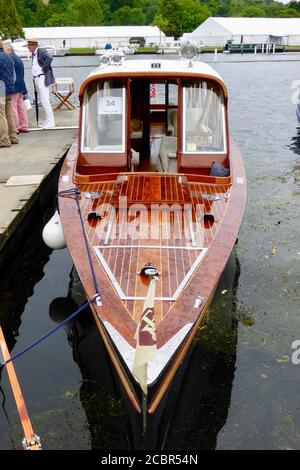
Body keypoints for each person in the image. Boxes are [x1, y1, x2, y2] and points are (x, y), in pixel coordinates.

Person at [27, 38, 55, 129]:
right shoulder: (33, 53)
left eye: (29, 46)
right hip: (37, 78)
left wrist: (43, 69)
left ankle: (51, 122)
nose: (28, 47)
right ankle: (47, 121)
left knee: (45, 100)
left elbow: (50, 57)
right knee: (43, 101)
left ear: (33, 45)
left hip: (42, 77)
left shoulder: (41, 50)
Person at [3, 43, 29, 133]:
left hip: (14, 85)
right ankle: (24, 125)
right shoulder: (19, 58)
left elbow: (12, 74)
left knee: (13, 107)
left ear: (9, 50)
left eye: (5, 49)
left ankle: (16, 127)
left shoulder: (10, 58)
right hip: (21, 84)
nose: (4, 51)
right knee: (21, 106)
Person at [0, 40, 18, 147]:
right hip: (10, 87)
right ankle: (13, 137)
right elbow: (13, 74)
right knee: (9, 114)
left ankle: (4, 140)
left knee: (1, 115)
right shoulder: (9, 57)